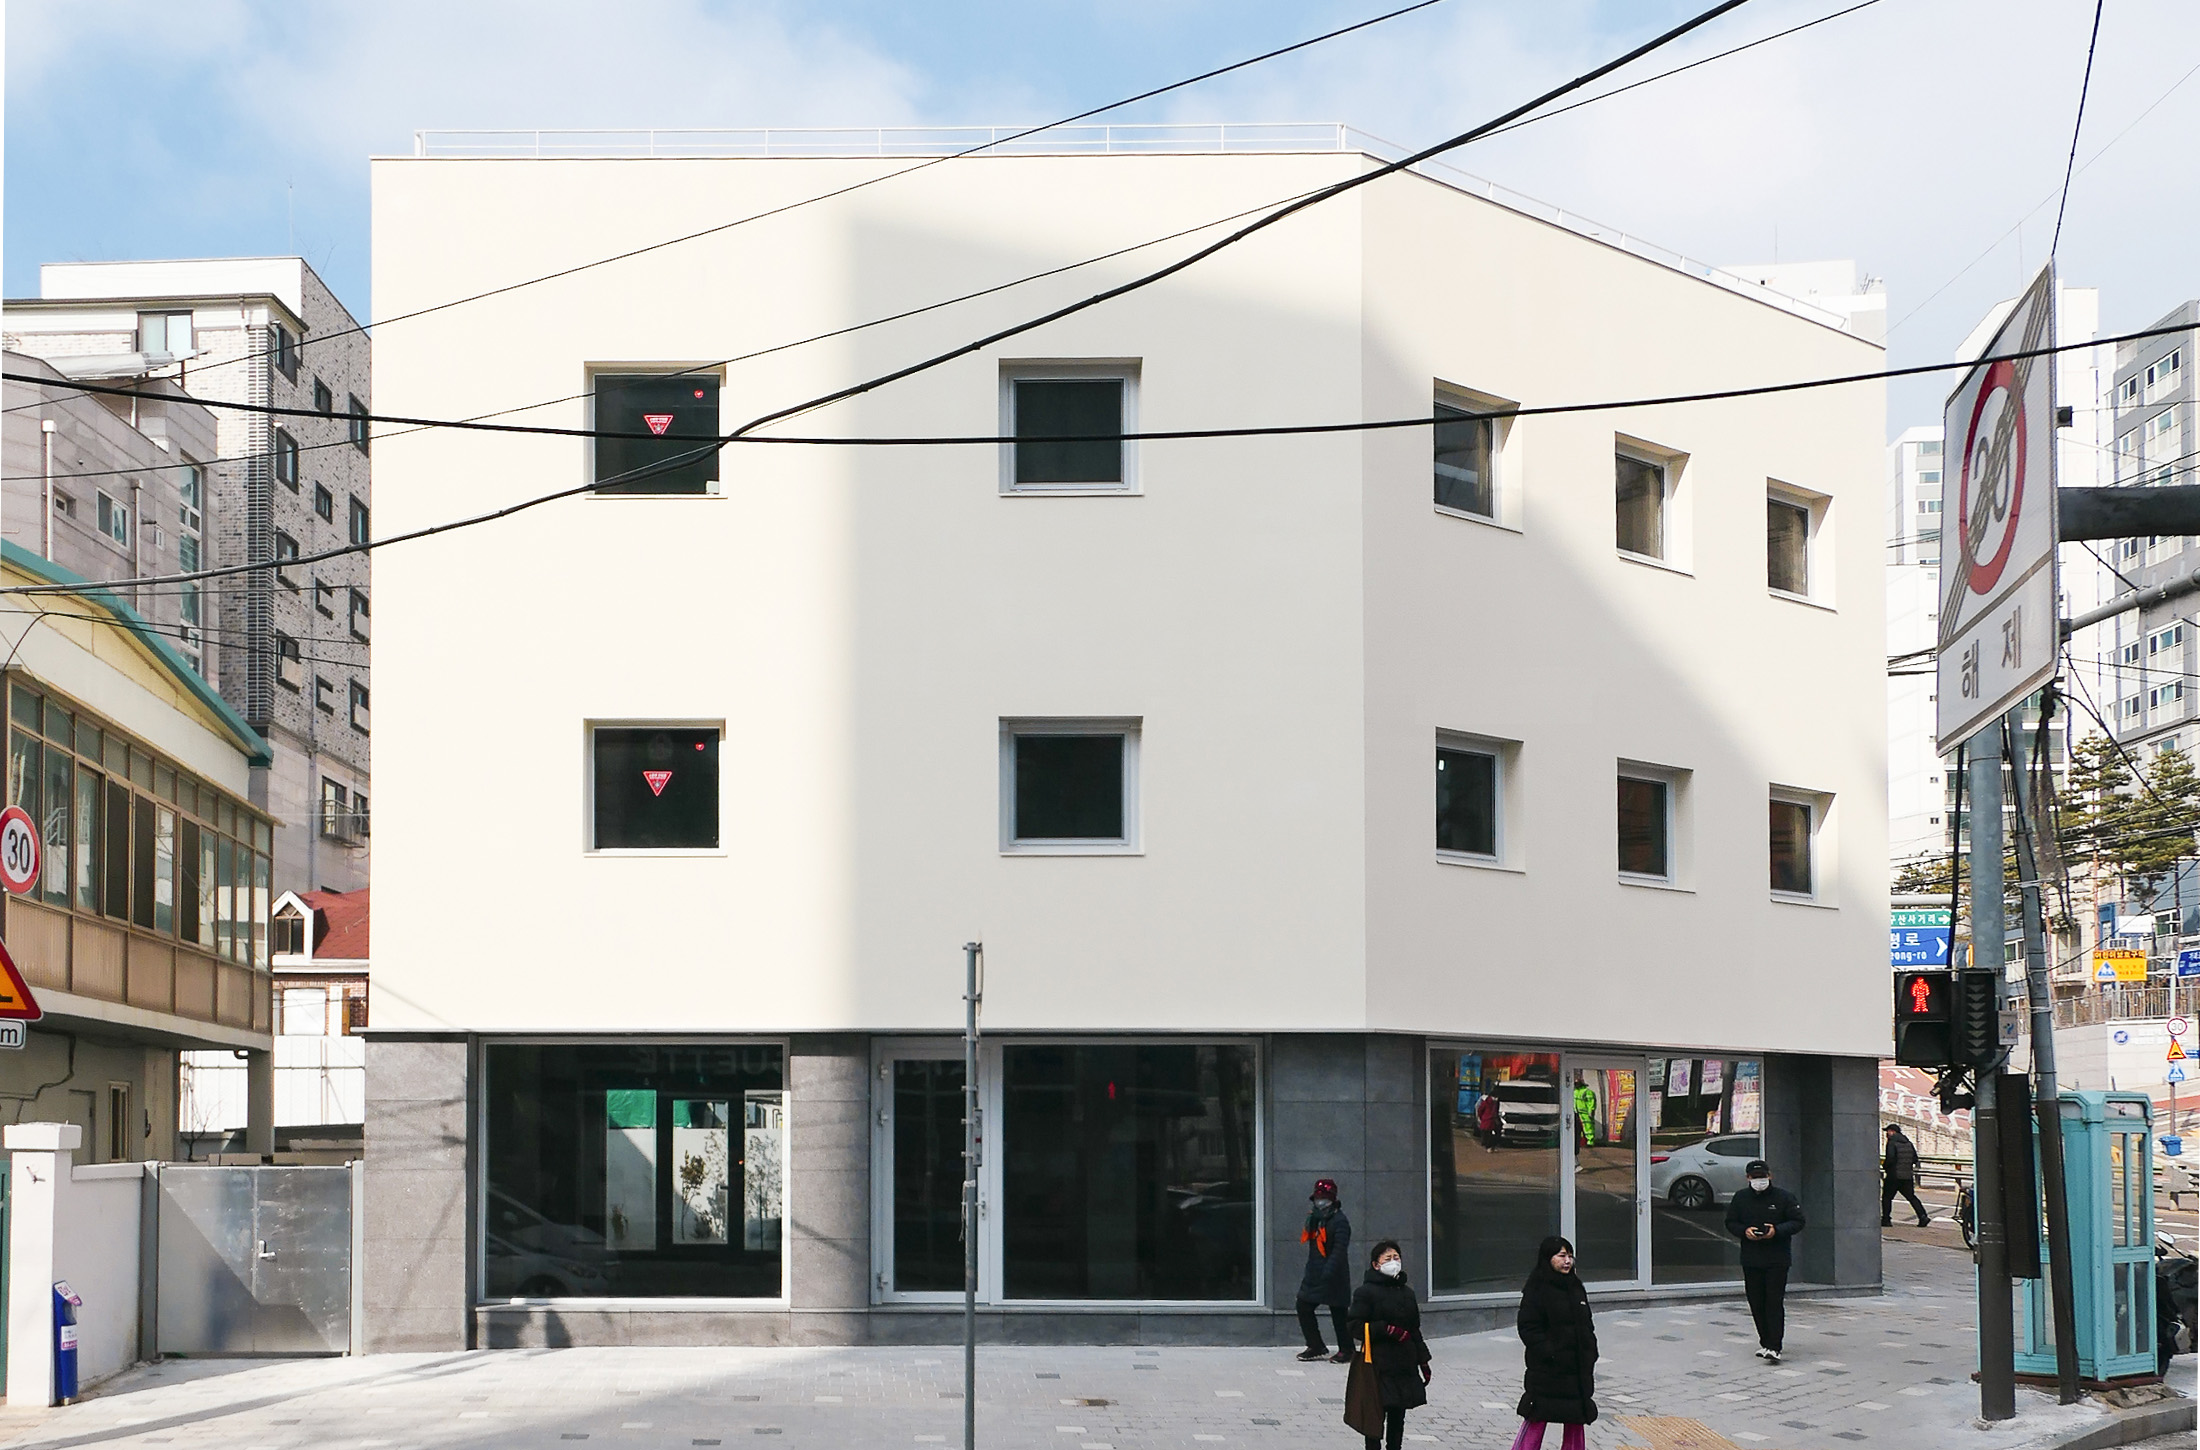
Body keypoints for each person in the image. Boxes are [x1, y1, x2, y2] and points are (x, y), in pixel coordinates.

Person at [1512, 1235, 1597, 1450]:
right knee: (1537, 1416)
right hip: (1548, 1371)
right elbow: (1528, 1327)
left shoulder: (1576, 1286)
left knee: (1575, 1420)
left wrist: (1590, 1350)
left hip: (1576, 1370)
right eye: (1561, 1256)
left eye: (1570, 1256)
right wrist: (1549, 1352)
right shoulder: (1537, 1288)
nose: (1567, 1261)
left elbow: (1587, 1324)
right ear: (1548, 1258)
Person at [1344, 1239, 1431, 1450]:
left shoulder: (1407, 1293)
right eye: (1388, 1258)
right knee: (1374, 1416)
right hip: (1377, 1364)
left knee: (1398, 1415)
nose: (1394, 1262)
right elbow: (1355, 1325)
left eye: (1396, 1258)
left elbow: (1414, 1329)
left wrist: (1423, 1361)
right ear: (1376, 1264)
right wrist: (1385, 1329)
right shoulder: (1365, 1292)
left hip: (1404, 1364)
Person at [1724, 1158, 1806, 1363]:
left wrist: (1776, 1230)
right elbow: (1731, 1222)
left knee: (1773, 1302)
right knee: (1756, 1302)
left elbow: (1798, 1221)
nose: (1759, 1180)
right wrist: (1745, 1231)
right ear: (1748, 1178)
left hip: (1777, 1259)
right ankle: (1765, 1342)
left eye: (1762, 1176)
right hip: (1751, 1258)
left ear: (1770, 1176)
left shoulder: (1784, 1197)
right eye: (1755, 1177)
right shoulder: (1741, 1198)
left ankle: (1775, 1346)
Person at [1295, 1178, 1353, 1362]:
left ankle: (1347, 1350)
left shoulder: (1340, 1221)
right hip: (1314, 1272)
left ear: (1332, 1199)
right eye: (1318, 1198)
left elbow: (1339, 1250)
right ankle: (1315, 1345)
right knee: (1303, 1305)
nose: (1320, 1202)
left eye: (1324, 1198)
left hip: (1334, 1275)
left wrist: (1329, 1270)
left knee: (1339, 1312)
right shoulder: (1314, 1219)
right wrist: (1313, 1270)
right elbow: (1313, 1247)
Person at [1881, 1123, 1930, 1227]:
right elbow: (1915, 1159)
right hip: (1907, 1176)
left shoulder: (1892, 1143)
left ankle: (1886, 1219)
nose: (1887, 1134)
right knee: (1911, 1197)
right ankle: (1923, 1216)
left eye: (1888, 1132)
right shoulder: (1908, 1143)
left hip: (1894, 1175)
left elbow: (1890, 1158)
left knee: (1887, 1198)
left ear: (1892, 1132)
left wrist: (1885, 1167)